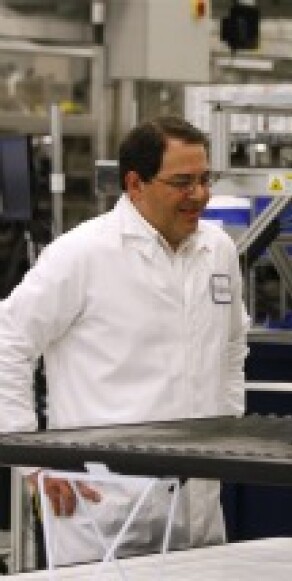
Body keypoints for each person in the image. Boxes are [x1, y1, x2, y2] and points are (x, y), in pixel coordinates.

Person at [0, 115, 249, 565]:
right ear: (135, 184)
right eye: (182, 182)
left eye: (204, 179)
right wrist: (31, 462)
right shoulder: (83, 254)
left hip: (199, 501)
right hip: (101, 505)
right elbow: (8, 343)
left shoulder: (218, 250)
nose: (200, 195)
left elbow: (232, 346)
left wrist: (228, 431)